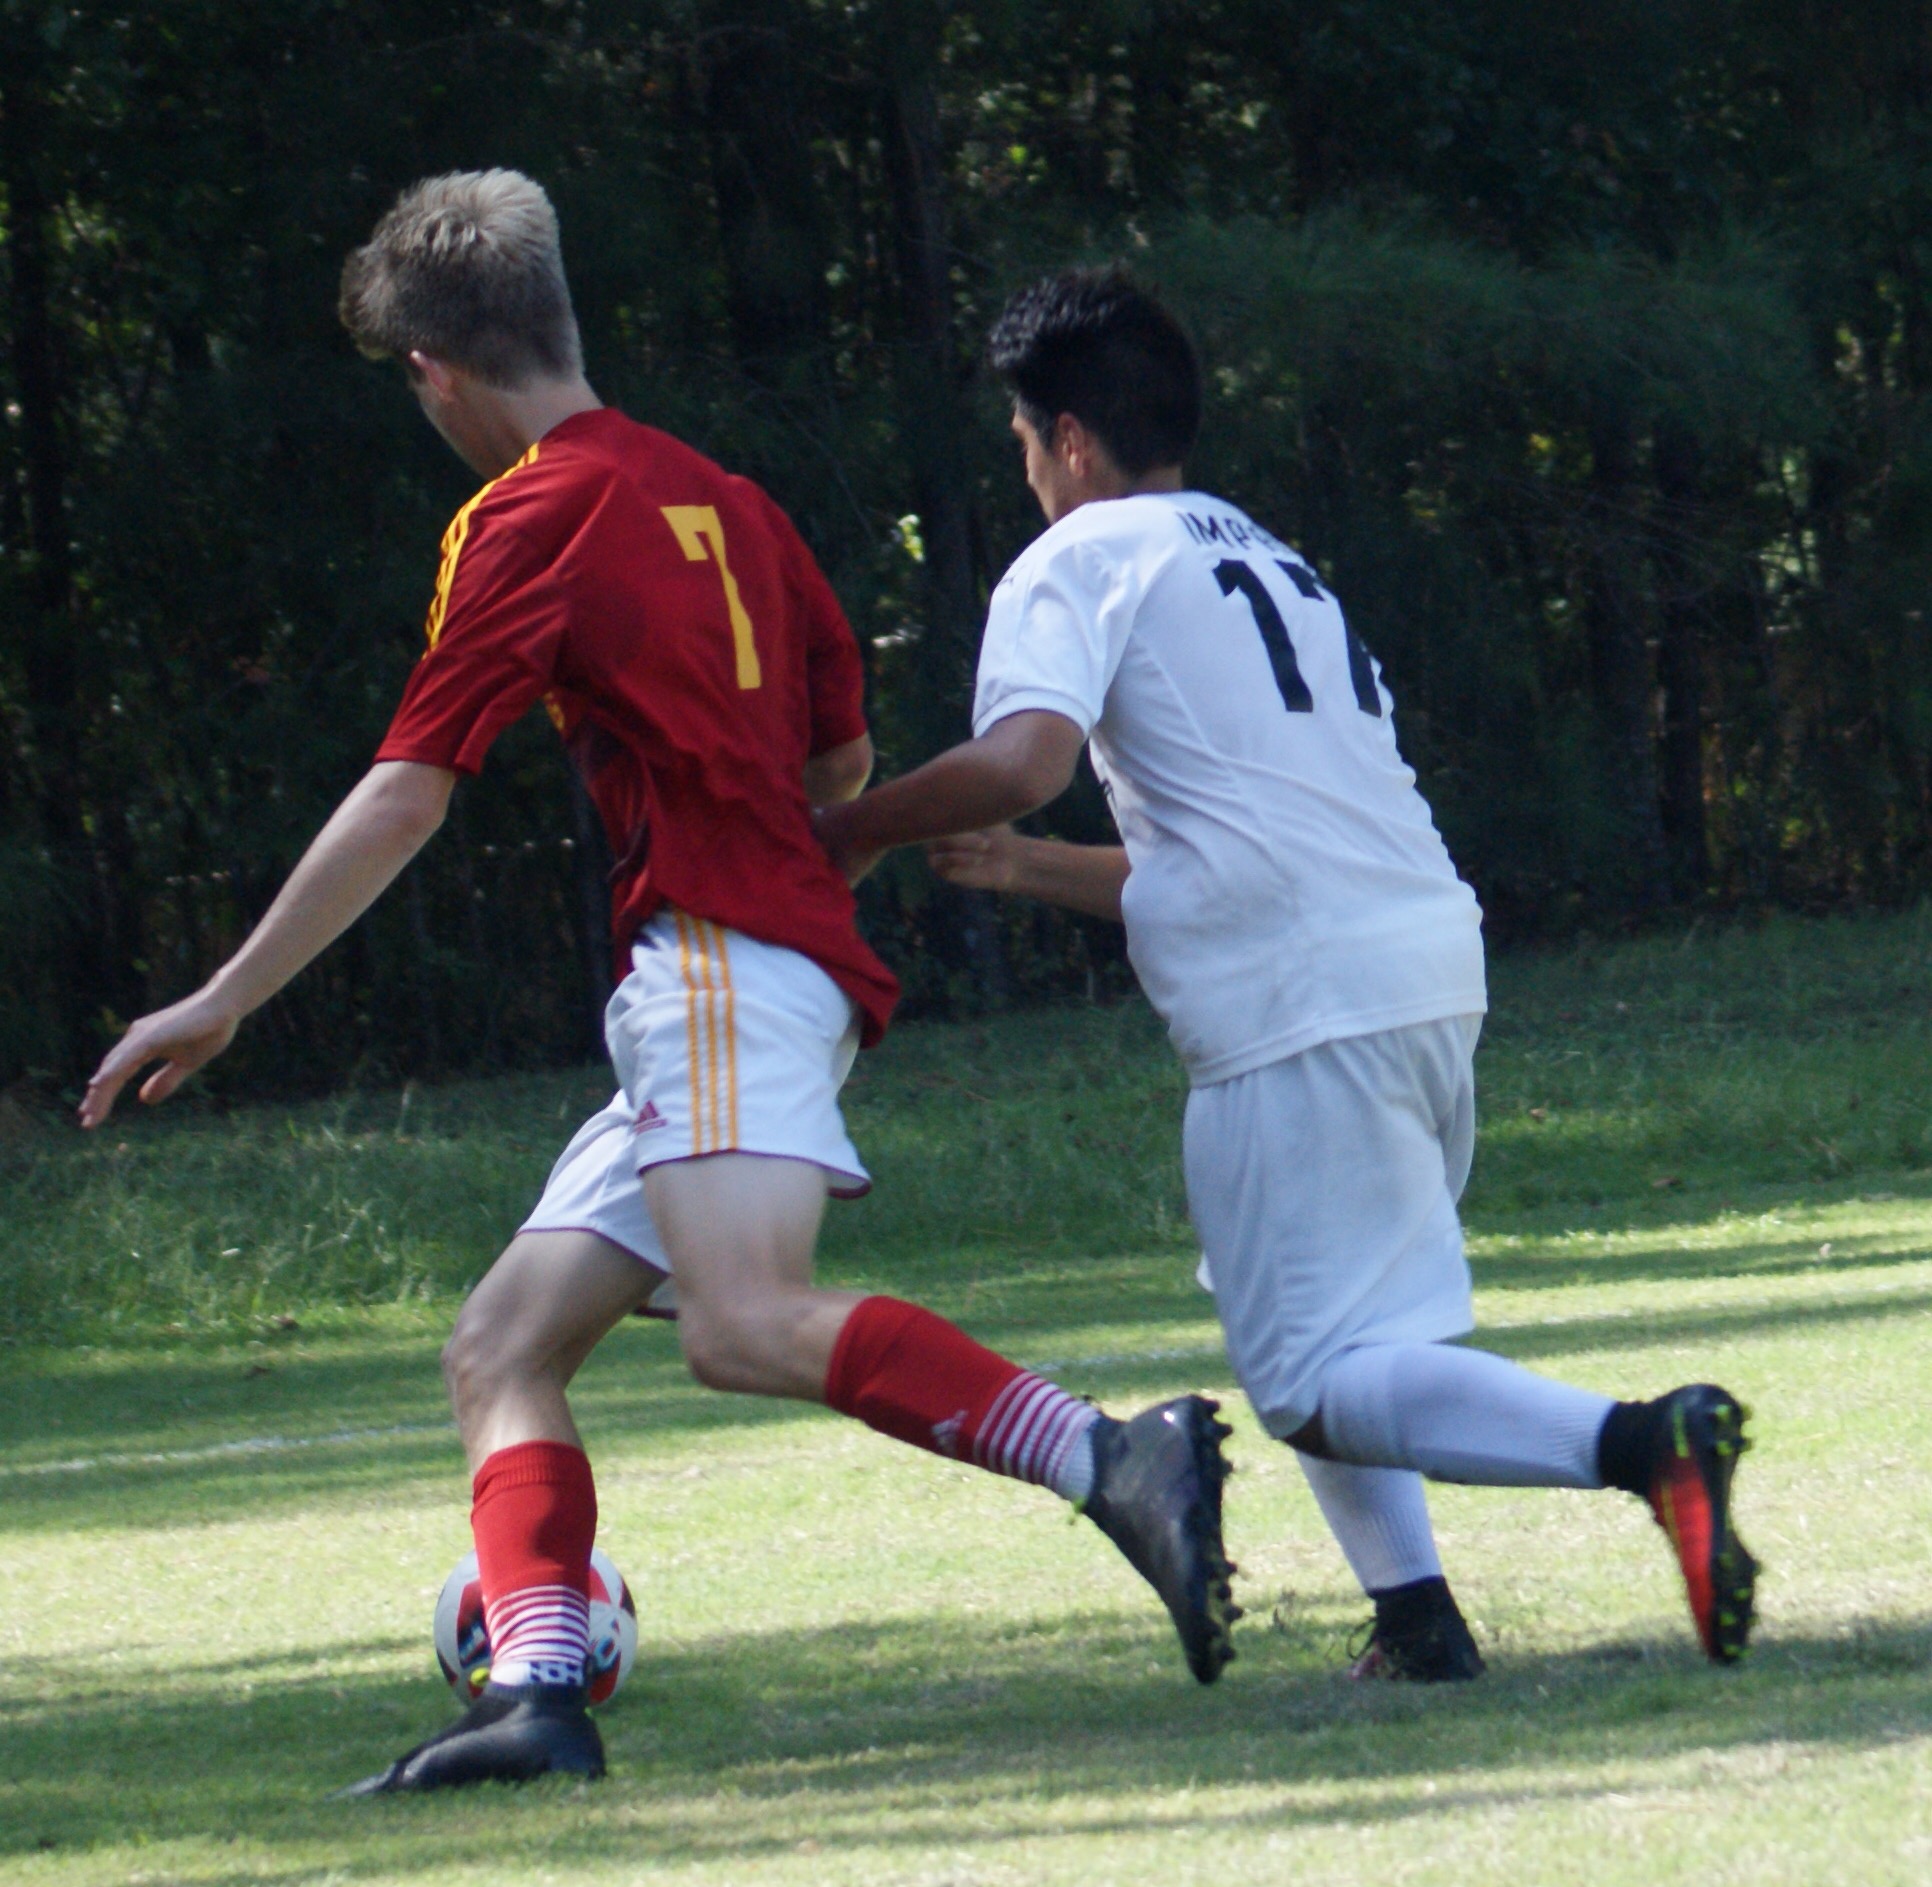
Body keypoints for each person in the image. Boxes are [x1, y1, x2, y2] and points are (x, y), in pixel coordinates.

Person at [78, 177, 1240, 1793]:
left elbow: (409, 790)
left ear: (437, 370)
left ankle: (1108, 1451)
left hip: (711, 963)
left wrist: (225, 996)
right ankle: (541, 1688)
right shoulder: (733, 502)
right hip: (758, 967)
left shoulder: (528, 516)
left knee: (742, 1322)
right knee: (502, 1345)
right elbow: (838, 751)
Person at [815, 269, 1758, 1681]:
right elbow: (1243, 846)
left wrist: (849, 827)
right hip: (1419, 961)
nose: (1025, 472)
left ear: (1068, 438)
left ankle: (1646, 1442)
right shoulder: (1265, 555)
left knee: (1314, 1382)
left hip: (1297, 1003)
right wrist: (1027, 870)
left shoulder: (1079, 557)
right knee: (1352, 1337)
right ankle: (1418, 1621)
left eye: (1022, 443)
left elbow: (1023, 761)